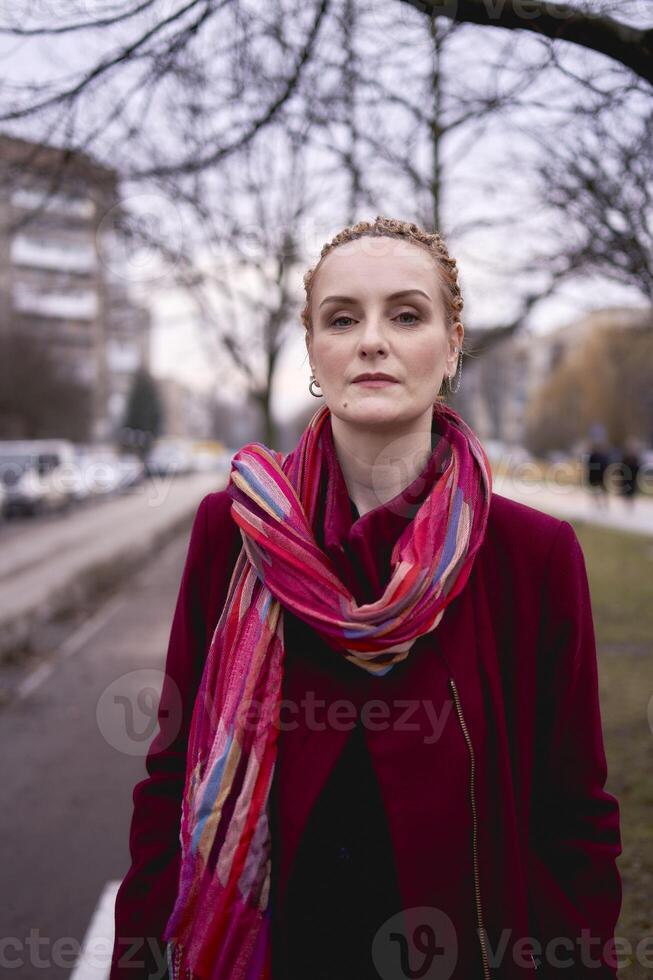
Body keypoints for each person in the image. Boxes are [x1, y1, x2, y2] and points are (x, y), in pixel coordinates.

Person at [110, 216, 622, 980]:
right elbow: (171, 777)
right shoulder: (233, 530)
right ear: (313, 350)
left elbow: (572, 818)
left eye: (406, 315)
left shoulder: (532, 556)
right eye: (341, 318)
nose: (370, 341)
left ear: (451, 346)